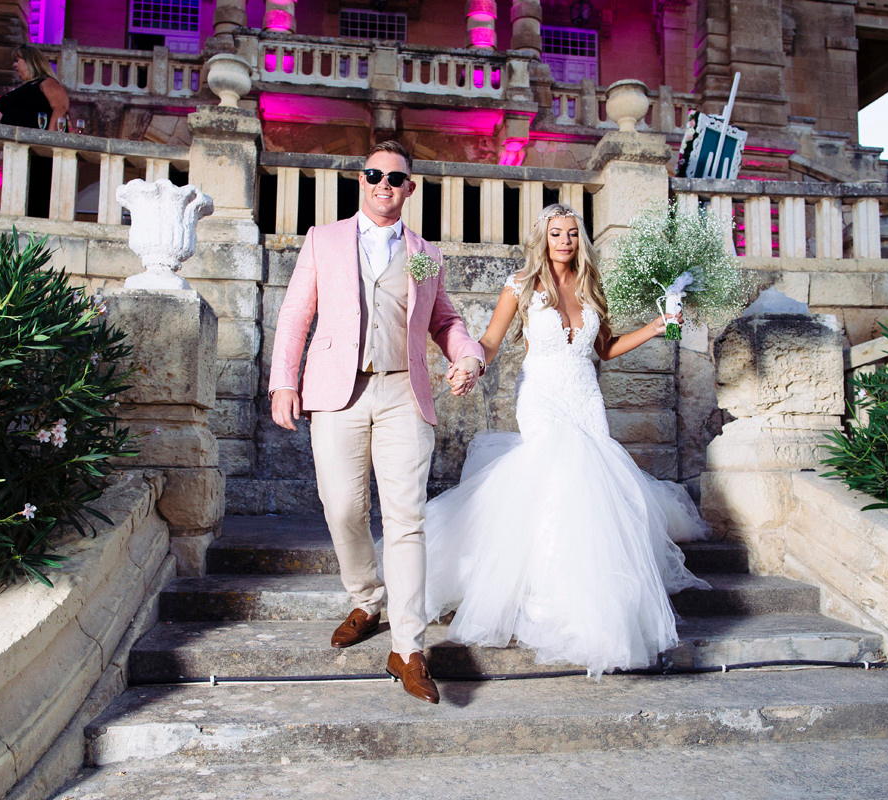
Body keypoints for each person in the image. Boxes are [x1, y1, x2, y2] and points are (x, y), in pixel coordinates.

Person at [432, 203, 710, 678]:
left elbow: (604, 349)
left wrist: (658, 326)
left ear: (581, 240)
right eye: (557, 233)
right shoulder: (520, 285)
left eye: (573, 233)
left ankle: (589, 598)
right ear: (543, 238)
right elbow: (492, 341)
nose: (565, 241)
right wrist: (471, 363)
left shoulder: (590, 288)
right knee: (557, 480)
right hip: (540, 395)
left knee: (592, 493)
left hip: (585, 396)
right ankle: (544, 602)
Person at [269, 141, 485, 704]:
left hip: (401, 394)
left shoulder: (425, 254)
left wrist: (467, 354)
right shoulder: (325, 239)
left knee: (406, 518)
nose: (383, 183)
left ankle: (409, 647)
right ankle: (367, 598)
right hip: (337, 392)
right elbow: (296, 313)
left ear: (409, 188)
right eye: (373, 174)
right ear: (361, 181)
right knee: (341, 506)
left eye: (394, 177)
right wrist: (284, 380)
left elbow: (445, 319)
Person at [0, 44, 70, 218]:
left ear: (30, 61)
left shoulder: (47, 82)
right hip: (16, 150)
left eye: (17, 60)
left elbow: (60, 107)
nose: (14, 66)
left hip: (37, 150)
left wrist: (48, 141)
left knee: (34, 193)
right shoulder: (24, 87)